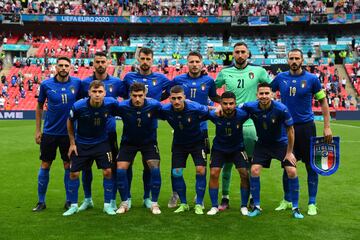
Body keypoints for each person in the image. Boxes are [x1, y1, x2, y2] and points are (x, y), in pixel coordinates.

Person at [271, 49, 332, 216]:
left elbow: (324, 103)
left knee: (311, 166)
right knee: (287, 165)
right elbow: (267, 94)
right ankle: (287, 200)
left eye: (297, 58)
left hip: (306, 128)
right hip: (286, 128)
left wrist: (327, 126)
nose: (294, 61)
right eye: (291, 58)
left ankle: (312, 202)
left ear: (302, 60)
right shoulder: (280, 78)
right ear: (287, 60)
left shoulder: (312, 79)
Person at [215, 42, 272, 210]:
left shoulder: (259, 71)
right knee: (226, 164)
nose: (240, 55)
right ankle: (225, 198)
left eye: (243, 52)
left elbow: (269, 90)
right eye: (237, 52)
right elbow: (212, 90)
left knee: (251, 164)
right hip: (229, 124)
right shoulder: (224, 72)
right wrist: (219, 104)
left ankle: (253, 198)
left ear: (248, 54)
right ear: (233, 54)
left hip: (250, 125)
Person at [242, 82, 303, 219]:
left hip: (280, 144)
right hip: (262, 144)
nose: (264, 96)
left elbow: (291, 131)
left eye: (266, 93)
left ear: (272, 94)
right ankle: (256, 206)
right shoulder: (250, 106)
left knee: (292, 171)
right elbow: (236, 109)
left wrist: (289, 152)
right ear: (257, 95)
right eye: (261, 93)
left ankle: (295, 207)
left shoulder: (281, 109)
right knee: (254, 170)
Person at [168, 51, 220, 208]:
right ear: (187, 64)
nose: (194, 64)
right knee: (175, 167)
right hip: (181, 129)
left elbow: (215, 97)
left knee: (201, 166)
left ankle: (200, 194)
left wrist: (223, 105)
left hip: (201, 130)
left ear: (202, 63)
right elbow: (170, 97)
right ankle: (175, 194)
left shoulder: (209, 81)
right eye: (191, 61)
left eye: (197, 61)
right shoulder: (178, 80)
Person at [123, 47, 171, 209]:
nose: (145, 62)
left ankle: (147, 197)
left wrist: (156, 101)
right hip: (130, 129)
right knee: (126, 165)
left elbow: (171, 92)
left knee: (148, 165)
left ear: (152, 60)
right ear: (138, 59)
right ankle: (127, 198)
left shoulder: (161, 78)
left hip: (150, 130)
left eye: (148, 59)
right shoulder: (129, 77)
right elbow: (124, 96)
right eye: (142, 58)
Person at [33, 56, 81, 212]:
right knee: (45, 164)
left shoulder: (77, 83)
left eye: (66, 65)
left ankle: (69, 201)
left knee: (68, 165)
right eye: (60, 65)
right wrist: (38, 130)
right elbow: (39, 107)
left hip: (69, 134)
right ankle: (41, 201)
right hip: (50, 133)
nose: (63, 68)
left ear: (70, 67)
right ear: (55, 67)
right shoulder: (46, 84)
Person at [79, 51, 126, 212]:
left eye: (103, 61)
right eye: (97, 61)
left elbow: (126, 102)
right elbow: (79, 106)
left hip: (108, 133)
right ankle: (87, 199)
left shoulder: (117, 83)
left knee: (110, 168)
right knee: (86, 168)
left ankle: (111, 200)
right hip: (86, 134)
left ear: (108, 63)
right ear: (93, 63)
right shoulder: (84, 83)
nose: (100, 64)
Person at [64, 80, 119, 216]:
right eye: (94, 92)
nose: (97, 94)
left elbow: (125, 109)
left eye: (100, 91)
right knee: (74, 173)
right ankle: (74, 205)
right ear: (89, 93)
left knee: (107, 172)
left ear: (104, 93)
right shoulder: (78, 106)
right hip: (82, 143)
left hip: (102, 143)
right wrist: (72, 143)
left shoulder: (111, 103)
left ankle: (107, 205)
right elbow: (70, 121)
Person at [159, 85, 209, 215]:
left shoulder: (195, 107)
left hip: (197, 142)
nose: (176, 101)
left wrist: (220, 107)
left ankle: (199, 203)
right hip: (179, 144)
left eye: (179, 98)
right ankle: (184, 203)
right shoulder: (165, 110)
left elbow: (210, 111)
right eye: (173, 98)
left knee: (200, 170)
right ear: (169, 99)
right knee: (176, 173)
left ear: (185, 98)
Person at [114, 83, 162, 215]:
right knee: (120, 170)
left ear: (145, 94)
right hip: (129, 142)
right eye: (134, 96)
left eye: (140, 95)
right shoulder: (122, 106)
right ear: (130, 95)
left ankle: (152, 201)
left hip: (149, 142)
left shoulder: (154, 105)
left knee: (154, 169)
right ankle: (125, 201)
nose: (137, 99)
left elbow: (170, 111)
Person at [206, 91, 249, 216]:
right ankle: (214, 206)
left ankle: (244, 206)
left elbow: (256, 107)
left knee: (245, 174)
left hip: (237, 148)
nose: (228, 106)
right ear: (220, 104)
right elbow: (200, 111)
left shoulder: (242, 114)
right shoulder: (214, 115)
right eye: (225, 104)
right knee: (214, 173)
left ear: (235, 104)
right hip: (219, 149)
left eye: (231, 103)